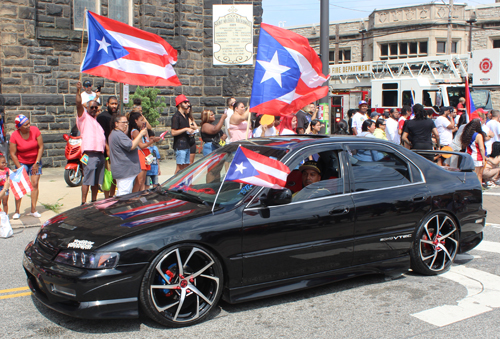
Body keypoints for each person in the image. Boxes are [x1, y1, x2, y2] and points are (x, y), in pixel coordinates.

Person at [75, 81, 106, 205]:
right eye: (91, 107)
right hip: (89, 154)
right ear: (87, 108)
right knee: (88, 179)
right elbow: (78, 103)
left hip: (100, 154)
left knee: (96, 181)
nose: (93, 109)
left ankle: (94, 201)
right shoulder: (83, 118)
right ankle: (83, 202)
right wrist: (77, 91)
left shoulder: (97, 121)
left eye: (95, 108)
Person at [9, 114, 44, 219]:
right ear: (19, 127)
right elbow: (13, 154)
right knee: (20, 185)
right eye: (25, 125)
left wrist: (37, 163)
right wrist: (20, 168)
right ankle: (17, 211)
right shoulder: (14, 136)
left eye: (29, 123)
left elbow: (41, 147)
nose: (29, 126)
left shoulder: (35, 130)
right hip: (21, 162)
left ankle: (33, 209)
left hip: (35, 161)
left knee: (35, 183)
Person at [109, 115, 149, 196]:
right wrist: (141, 134)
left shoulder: (116, 134)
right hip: (124, 171)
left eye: (127, 122)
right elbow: (132, 146)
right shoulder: (118, 134)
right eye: (123, 122)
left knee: (125, 193)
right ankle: (121, 208)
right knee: (123, 195)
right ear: (116, 123)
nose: (126, 124)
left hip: (125, 170)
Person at [128, 112, 159, 192]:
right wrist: (153, 141)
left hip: (146, 154)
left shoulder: (141, 130)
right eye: (141, 120)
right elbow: (141, 145)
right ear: (135, 121)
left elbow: (147, 140)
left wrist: (145, 131)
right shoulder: (135, 131)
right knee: (139, 180)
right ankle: (134, 197)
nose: (143, 122)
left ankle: (141, 195)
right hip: (140, 154)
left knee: (143, 180)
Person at [171, 94, 195, 173]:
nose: (188, 104)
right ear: (179, 104)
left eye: (187, 102)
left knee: (185, 167)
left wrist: (190, 132)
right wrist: (185, 129)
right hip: (180, 146)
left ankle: (182, 184)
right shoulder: (176, 116)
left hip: (186, 144)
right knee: (180, 167)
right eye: (185, 102)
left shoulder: (185, 116)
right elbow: (173, 132)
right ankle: (174, 184)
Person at [461, 118, 487, 185]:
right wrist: (484, 158)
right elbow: (481, 148)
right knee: (478, 175)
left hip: (469, 156)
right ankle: (478, 188)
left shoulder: (466, 134)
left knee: (471, 175)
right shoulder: (478, 135)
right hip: (477, 157)